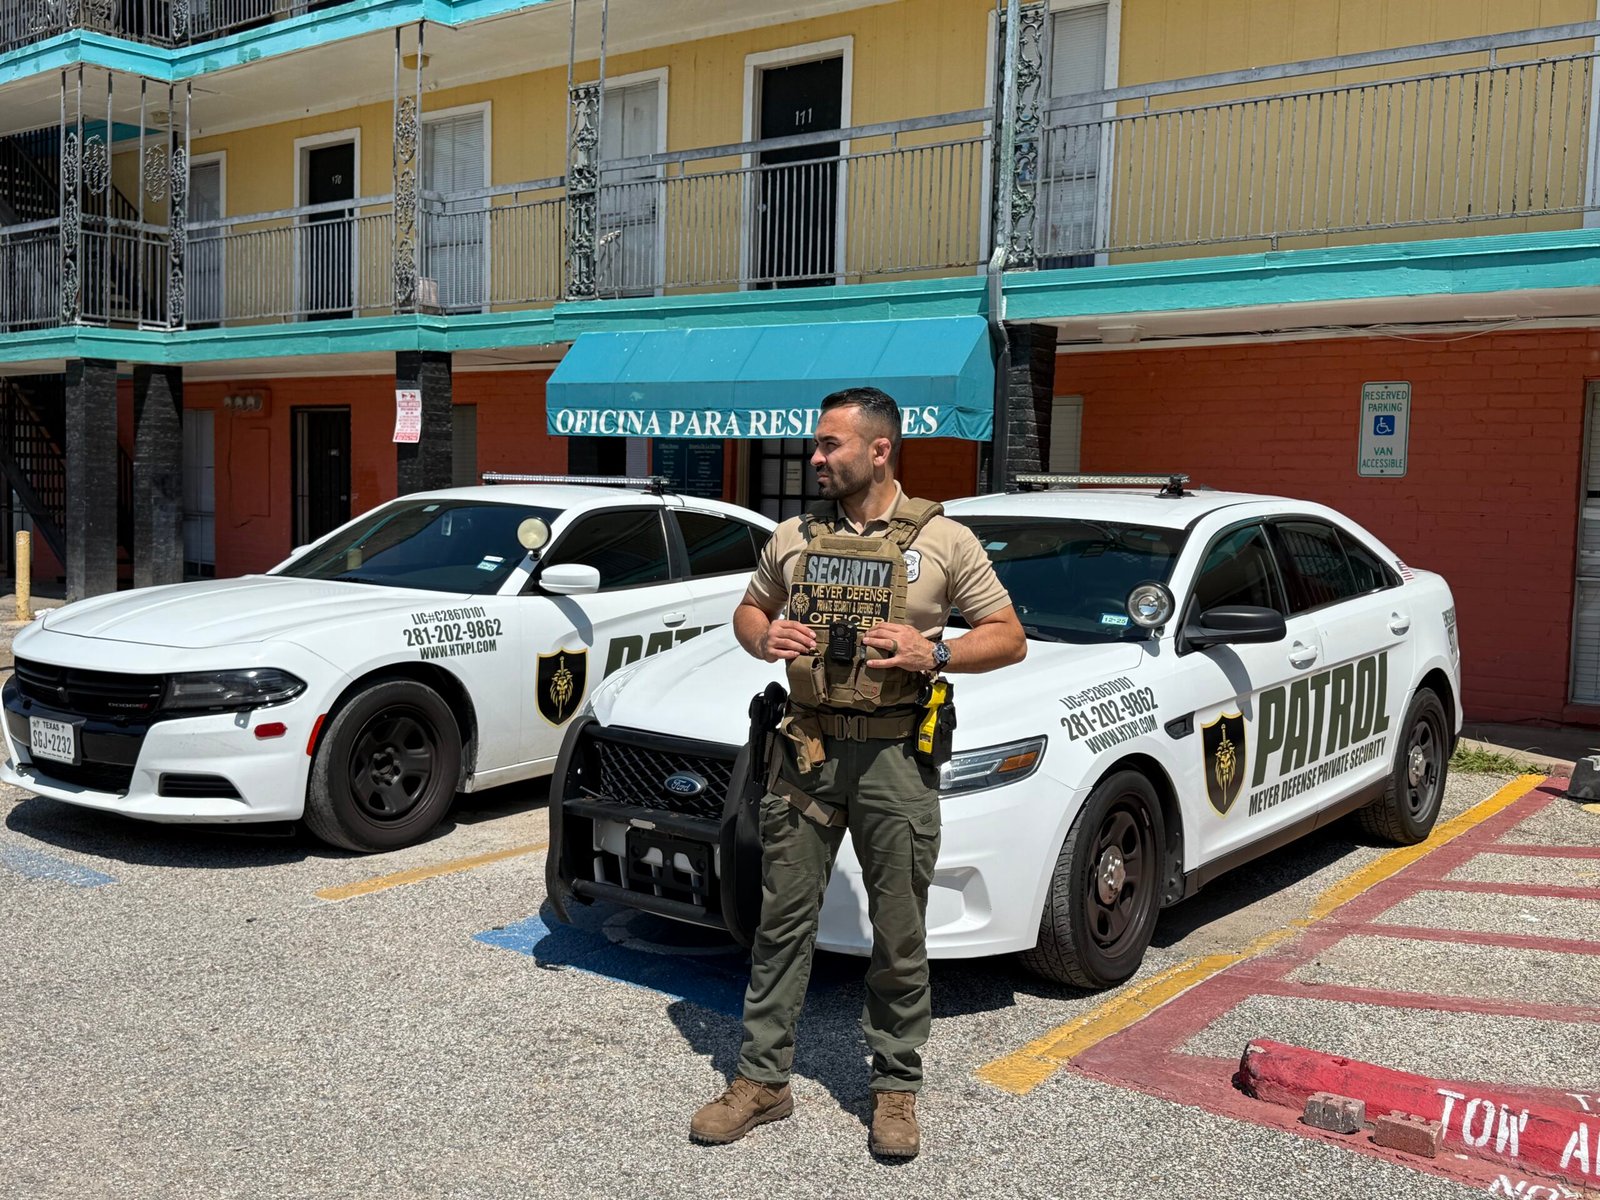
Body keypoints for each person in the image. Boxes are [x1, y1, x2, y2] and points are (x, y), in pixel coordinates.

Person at [689, 387, 1026, 1158]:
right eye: (816, 444)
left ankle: (895, 1089)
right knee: (781, 922)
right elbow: (750, 609)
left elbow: (1008, 637)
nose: (814, 457)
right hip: (804, 752)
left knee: (900, 929)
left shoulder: (945, 543)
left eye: (829, 445)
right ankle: (762, 1081)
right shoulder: (793, 537)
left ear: (879, 450)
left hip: (893, 758)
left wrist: (933, 651)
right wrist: (762, 635)